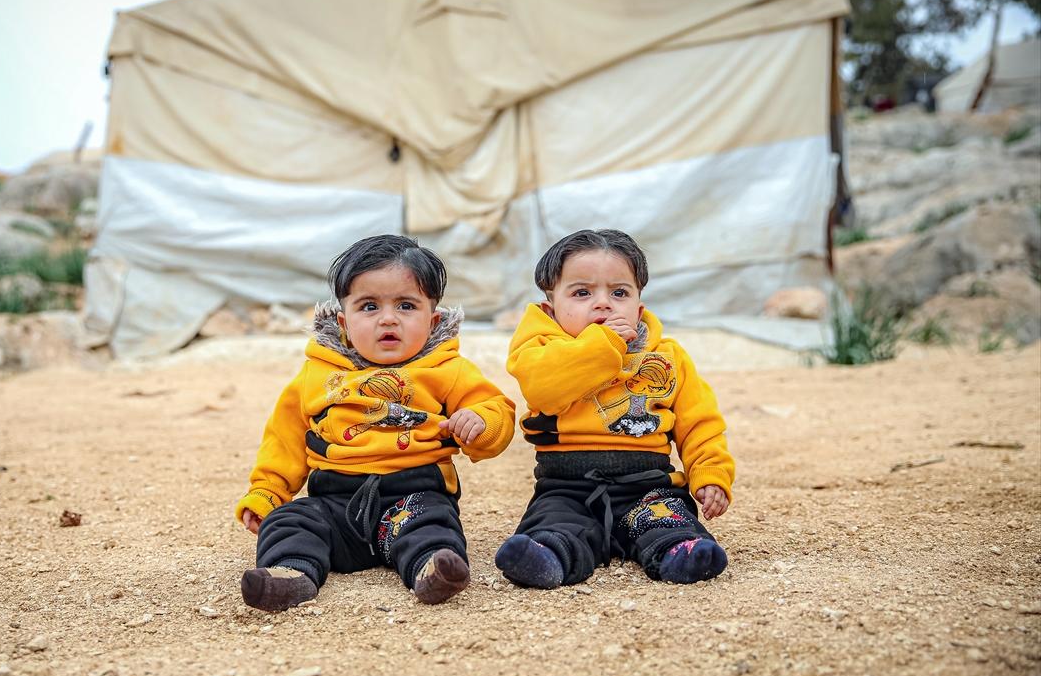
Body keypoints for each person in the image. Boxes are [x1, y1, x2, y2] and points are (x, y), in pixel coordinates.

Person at [236, 234, 515, 611]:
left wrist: (479, 421)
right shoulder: (317, 374)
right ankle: (291, 573)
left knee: (432, 526)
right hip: (334, 503)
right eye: (368, 306)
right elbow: (285, 437)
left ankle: (430, 569)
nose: (388, 318)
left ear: (432, 321)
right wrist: (268, 491)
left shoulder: (446, 370)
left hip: (413, 496)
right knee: (290, 521)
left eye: (406, 305)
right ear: (344, 321)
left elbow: (495, 407)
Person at [494, 229, 734, 588]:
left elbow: (698, 423)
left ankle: (680, 552)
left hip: (648, 484)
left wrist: (710, 473)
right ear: (551, 308)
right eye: (582, 293)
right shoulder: (540, 349)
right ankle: (548, 558)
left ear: (638, 308)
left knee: (665, 519)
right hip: (566, 486)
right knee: (555, 525)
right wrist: (604, 343)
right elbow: (543, 388)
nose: (603, 303)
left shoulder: (665, 357)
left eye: (619, 293)